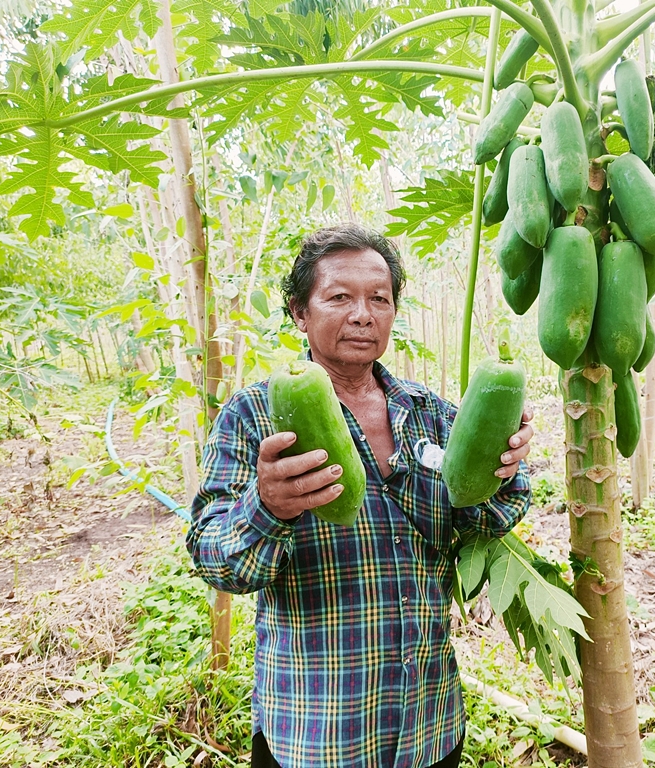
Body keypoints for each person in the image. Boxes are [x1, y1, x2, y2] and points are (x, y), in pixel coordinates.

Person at [186, 224, 534, 768]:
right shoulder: (255, 415)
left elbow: (485, 520)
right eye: (340, 297)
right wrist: (267, 507)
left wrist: (503, 468)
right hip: (318, 730)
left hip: (429, 721)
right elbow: (214, 558)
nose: (363, 314)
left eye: (380, 298)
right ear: (301, 313)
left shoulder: (433, 412)